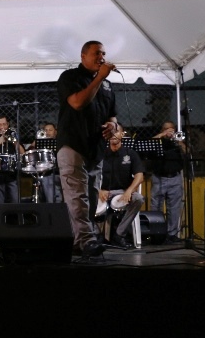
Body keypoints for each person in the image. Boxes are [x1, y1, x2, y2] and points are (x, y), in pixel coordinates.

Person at [57, 40, 119, 258]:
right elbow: (77, 103)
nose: (102, 57)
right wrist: (99, 78)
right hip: (73, 145)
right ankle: (87, 240)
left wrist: (113, 126)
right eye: (97, 53)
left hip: (96, 149)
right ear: (83, 56)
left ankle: (79, 242)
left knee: (92, 199)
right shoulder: (70, 77)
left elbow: (113, 116)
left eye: (104, 53)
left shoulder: (108, 86)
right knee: (77, 197)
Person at [99, 123, 145, 247]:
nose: (114, 134)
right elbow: (90, 175)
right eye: (111, 132)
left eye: (117, 131)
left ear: (122, 134)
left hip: (123, 192)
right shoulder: (101, 154)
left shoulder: (130, 154)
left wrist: (129, 190)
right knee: (83, 198)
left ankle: (119, 234)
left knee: (139, 199)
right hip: (104, 192)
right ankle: (94, 235)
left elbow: (139, 176)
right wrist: (99, 190)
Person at [150, 120, 185, 244]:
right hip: (159, 177)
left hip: (175, 178)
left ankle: (172, 234)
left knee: (174, 208)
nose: (169, 131)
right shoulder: (157, 141)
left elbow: (187, 153)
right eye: (166, 129)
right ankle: (156, 234)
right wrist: (162, 135)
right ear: (162, 130)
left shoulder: (177, 143)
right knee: (156, 207)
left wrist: (179, 142)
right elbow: (148, 144)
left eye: (172, 129)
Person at [0, 115, 25, 203]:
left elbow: (22, 153)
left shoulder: (13, 135)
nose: (2, 127)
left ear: (8, 125)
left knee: (15, 200)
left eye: (4, 124)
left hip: (12, 174)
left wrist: (14, 142)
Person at [30, 122, 62, 203]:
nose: (47, 132)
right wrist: (35, 143)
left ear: (55, 132)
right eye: (46, 130)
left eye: (50, 130)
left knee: (55, 199)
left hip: (56, 173)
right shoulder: (41, 144)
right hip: (44, 173)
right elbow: (30, 153)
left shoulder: (59, 143)